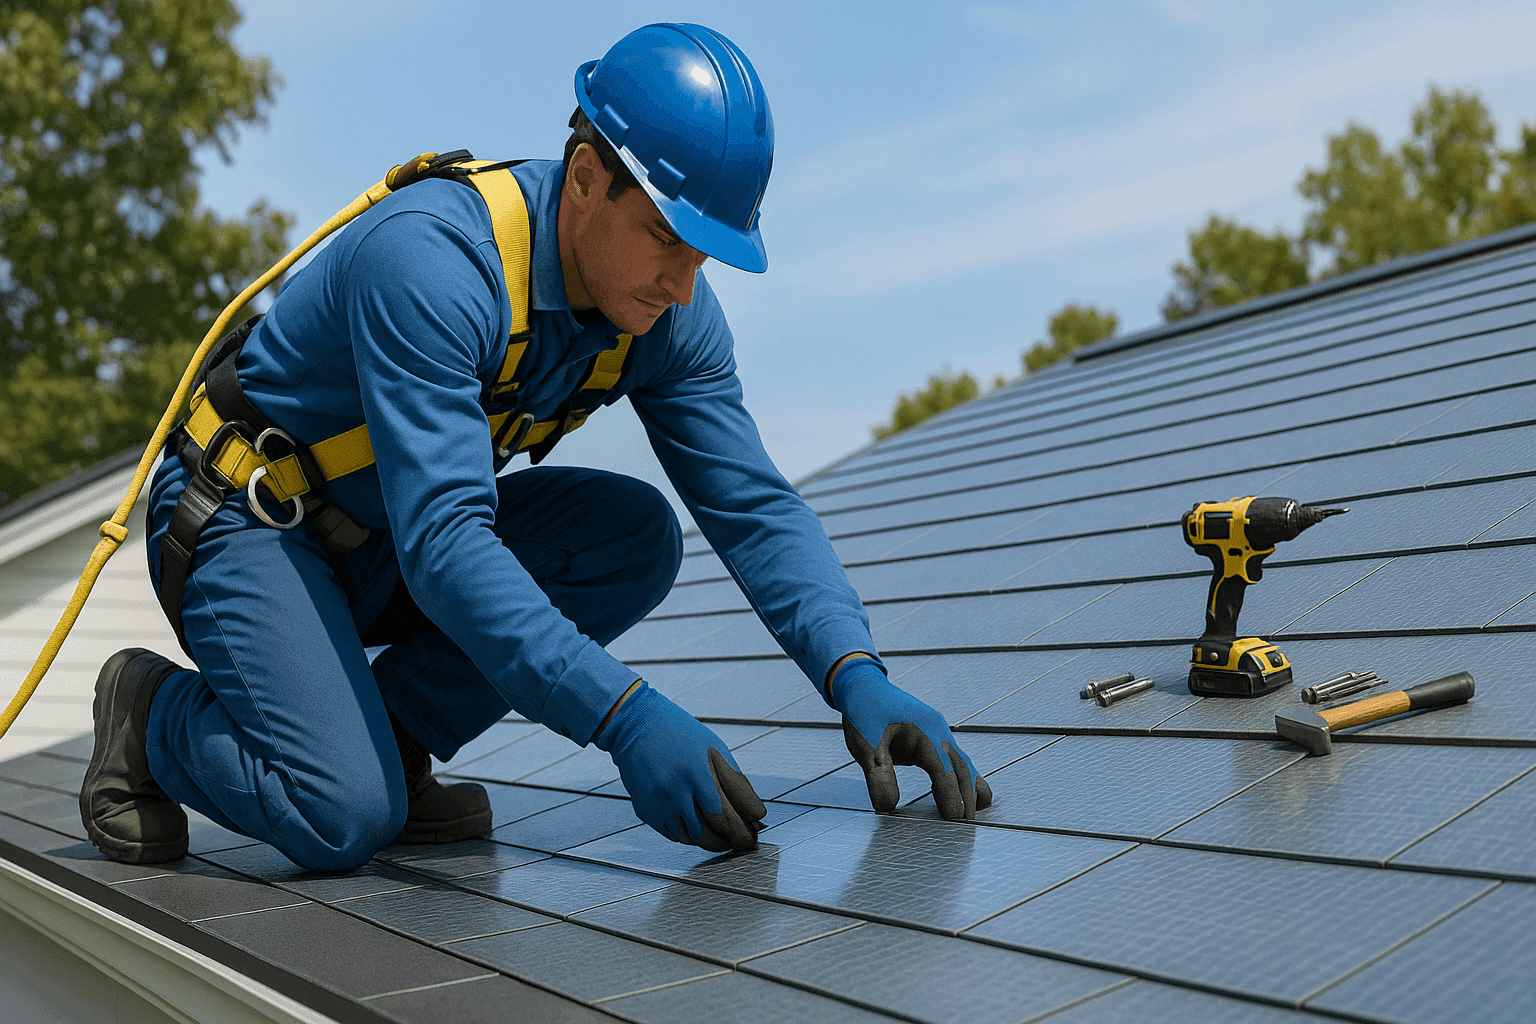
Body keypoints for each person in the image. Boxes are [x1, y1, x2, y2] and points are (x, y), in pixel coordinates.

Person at [79, 22, 992, 872]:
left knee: (632, 538)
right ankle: (151, 714)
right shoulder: (433, 261)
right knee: (343, 815)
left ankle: (389, 741)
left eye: (705, 255)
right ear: (588, 176)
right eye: (667, 237)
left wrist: (853, 670)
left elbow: (752, 505)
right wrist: (623, 719)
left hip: (385, 540)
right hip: (248, 523)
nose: (683, 285)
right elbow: (447, 545)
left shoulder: (667, 319)